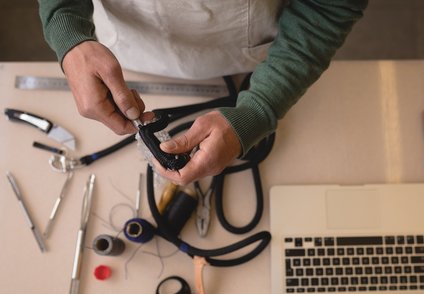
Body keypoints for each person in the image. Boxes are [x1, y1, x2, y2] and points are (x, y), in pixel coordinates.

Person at [39, 1, 367, 185]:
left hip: (245, 49)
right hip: (123, 47)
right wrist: (70, 37)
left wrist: (259, 106)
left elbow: (327, 9)